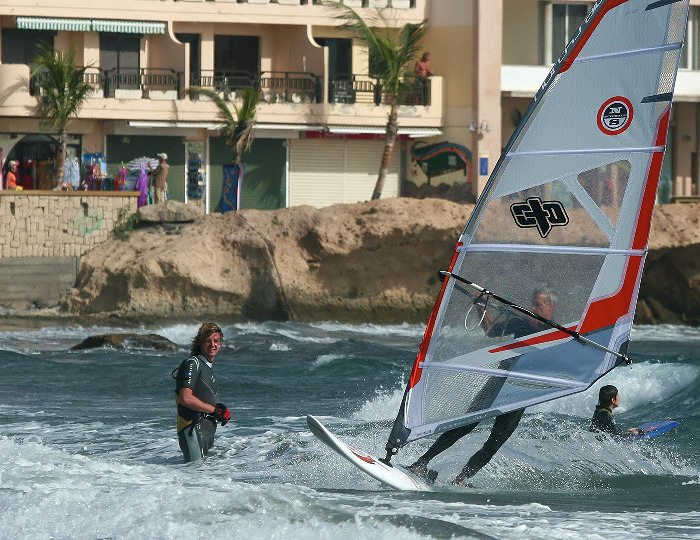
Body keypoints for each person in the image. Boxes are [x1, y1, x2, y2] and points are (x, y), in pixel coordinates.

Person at [407, 289, 557, 486]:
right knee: (466, 425)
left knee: (494, 443)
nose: (533, 309)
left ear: (551, 308)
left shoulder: (558, 333)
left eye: (538, 305)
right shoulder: (520, 322)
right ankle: (421, 463)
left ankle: (460, 480)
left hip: (520, 393)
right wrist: (480, 306)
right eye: (532, 304)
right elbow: (491, 329)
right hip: (499, 383)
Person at [173, 322, 231, 463]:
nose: (212, 345)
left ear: (220, 344)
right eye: (208, 341)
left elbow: (203, 397)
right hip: (193, 430)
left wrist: (219, 411)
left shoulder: (206, 366)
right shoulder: (194, 363)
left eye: (216, 341)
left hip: (203, 431)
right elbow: (185, 398)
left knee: (202, 481)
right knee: (194, 479)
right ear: (200, 343)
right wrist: (214, 410)